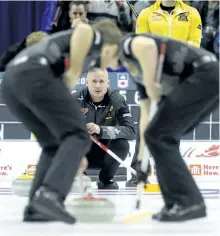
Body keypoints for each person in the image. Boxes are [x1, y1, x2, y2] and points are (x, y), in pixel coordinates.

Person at [68, 20, 218, 222]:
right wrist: (141, 160)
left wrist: (150, 83)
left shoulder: (129, 45)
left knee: (161, 136)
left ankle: (189, 202)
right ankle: (176, 202)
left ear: (109, 49)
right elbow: (146, 114)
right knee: (160, 136)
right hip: (206, 80)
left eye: (97, 54)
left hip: (204, 75)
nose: (95, 61)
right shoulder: (134, 71)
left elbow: (147, 46)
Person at [1, 23, 123, 223]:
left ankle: (36, 207)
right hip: (35, 75)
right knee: (78, 136)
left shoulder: (71, 50)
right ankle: (51, 195)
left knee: (54, 144)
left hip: (11, 83)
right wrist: (74, 73)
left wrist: (72, 155)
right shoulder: (95, 38)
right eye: (113, 59)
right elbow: (84, 29)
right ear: (110, 48)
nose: (110, 64)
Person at [73, 69, 135, 189]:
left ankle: (105, 179)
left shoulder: (117, 100)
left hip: (106, 153)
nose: (97, 85)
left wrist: (102, 130)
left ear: (108, 83)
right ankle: (79, 177)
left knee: (122, 144)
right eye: (94, 81)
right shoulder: (75, 99)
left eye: (101, 81)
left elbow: (131, 130)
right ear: (86, 82)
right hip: (82, 154)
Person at [136, 0, 202, 47]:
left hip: (182, 62)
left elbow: (195, 42)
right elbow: (142, 42)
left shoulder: (193, 13)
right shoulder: (145, 13)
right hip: (156, 61)